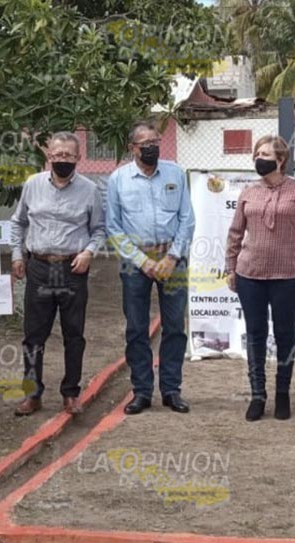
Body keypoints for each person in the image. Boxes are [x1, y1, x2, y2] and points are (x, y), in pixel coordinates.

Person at [225, 135, 295, 421]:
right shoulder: (248, 191)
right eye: (257, 153)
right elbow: (235, 232)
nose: (260, 158)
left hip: (288, 276)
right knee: (255, 334)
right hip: (250, 275)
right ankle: (257, 395)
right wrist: (230, 268)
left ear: (281, 160)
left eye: (267, 153)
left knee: (284, 334)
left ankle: (283, 394)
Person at [10, 132, 106, 417]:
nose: (62, 159)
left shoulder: (90, 190)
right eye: (57, 154)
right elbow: (18, 223)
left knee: (73, 334)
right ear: (48, 156)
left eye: (68, 155)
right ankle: (32, 394)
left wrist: (88, 252)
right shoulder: (32, 184)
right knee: (33, 336)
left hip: (72, 269)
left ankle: (71, 393)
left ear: (78, 158)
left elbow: (99, 229)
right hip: (38, 267)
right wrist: (17, 256)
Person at [106, 121, 195, 415]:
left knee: (175, 327)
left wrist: (172, 257)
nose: (151, 146)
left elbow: (187, 218)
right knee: (136, 328)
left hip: (173, 259)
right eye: (145, 143)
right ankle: (141, 391)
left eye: (155, 141)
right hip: (135, 263)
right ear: (133, 148)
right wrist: (142, 261)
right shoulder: (118, 179)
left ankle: (171, 389)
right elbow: (113, 228)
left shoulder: (176, 173)